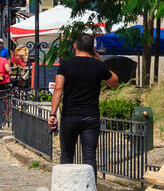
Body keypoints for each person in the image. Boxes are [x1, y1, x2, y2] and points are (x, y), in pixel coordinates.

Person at [50, 32, 119, 172]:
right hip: (91, 117)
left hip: (70, 116)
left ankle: (65, 190)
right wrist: (100, 61)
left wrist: (52, 114)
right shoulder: (98, 66)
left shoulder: (65, 65)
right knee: (89, 158)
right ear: (92, 48)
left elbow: (58, 89)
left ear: (75, 46)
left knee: (67, 156)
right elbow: (114, 82)